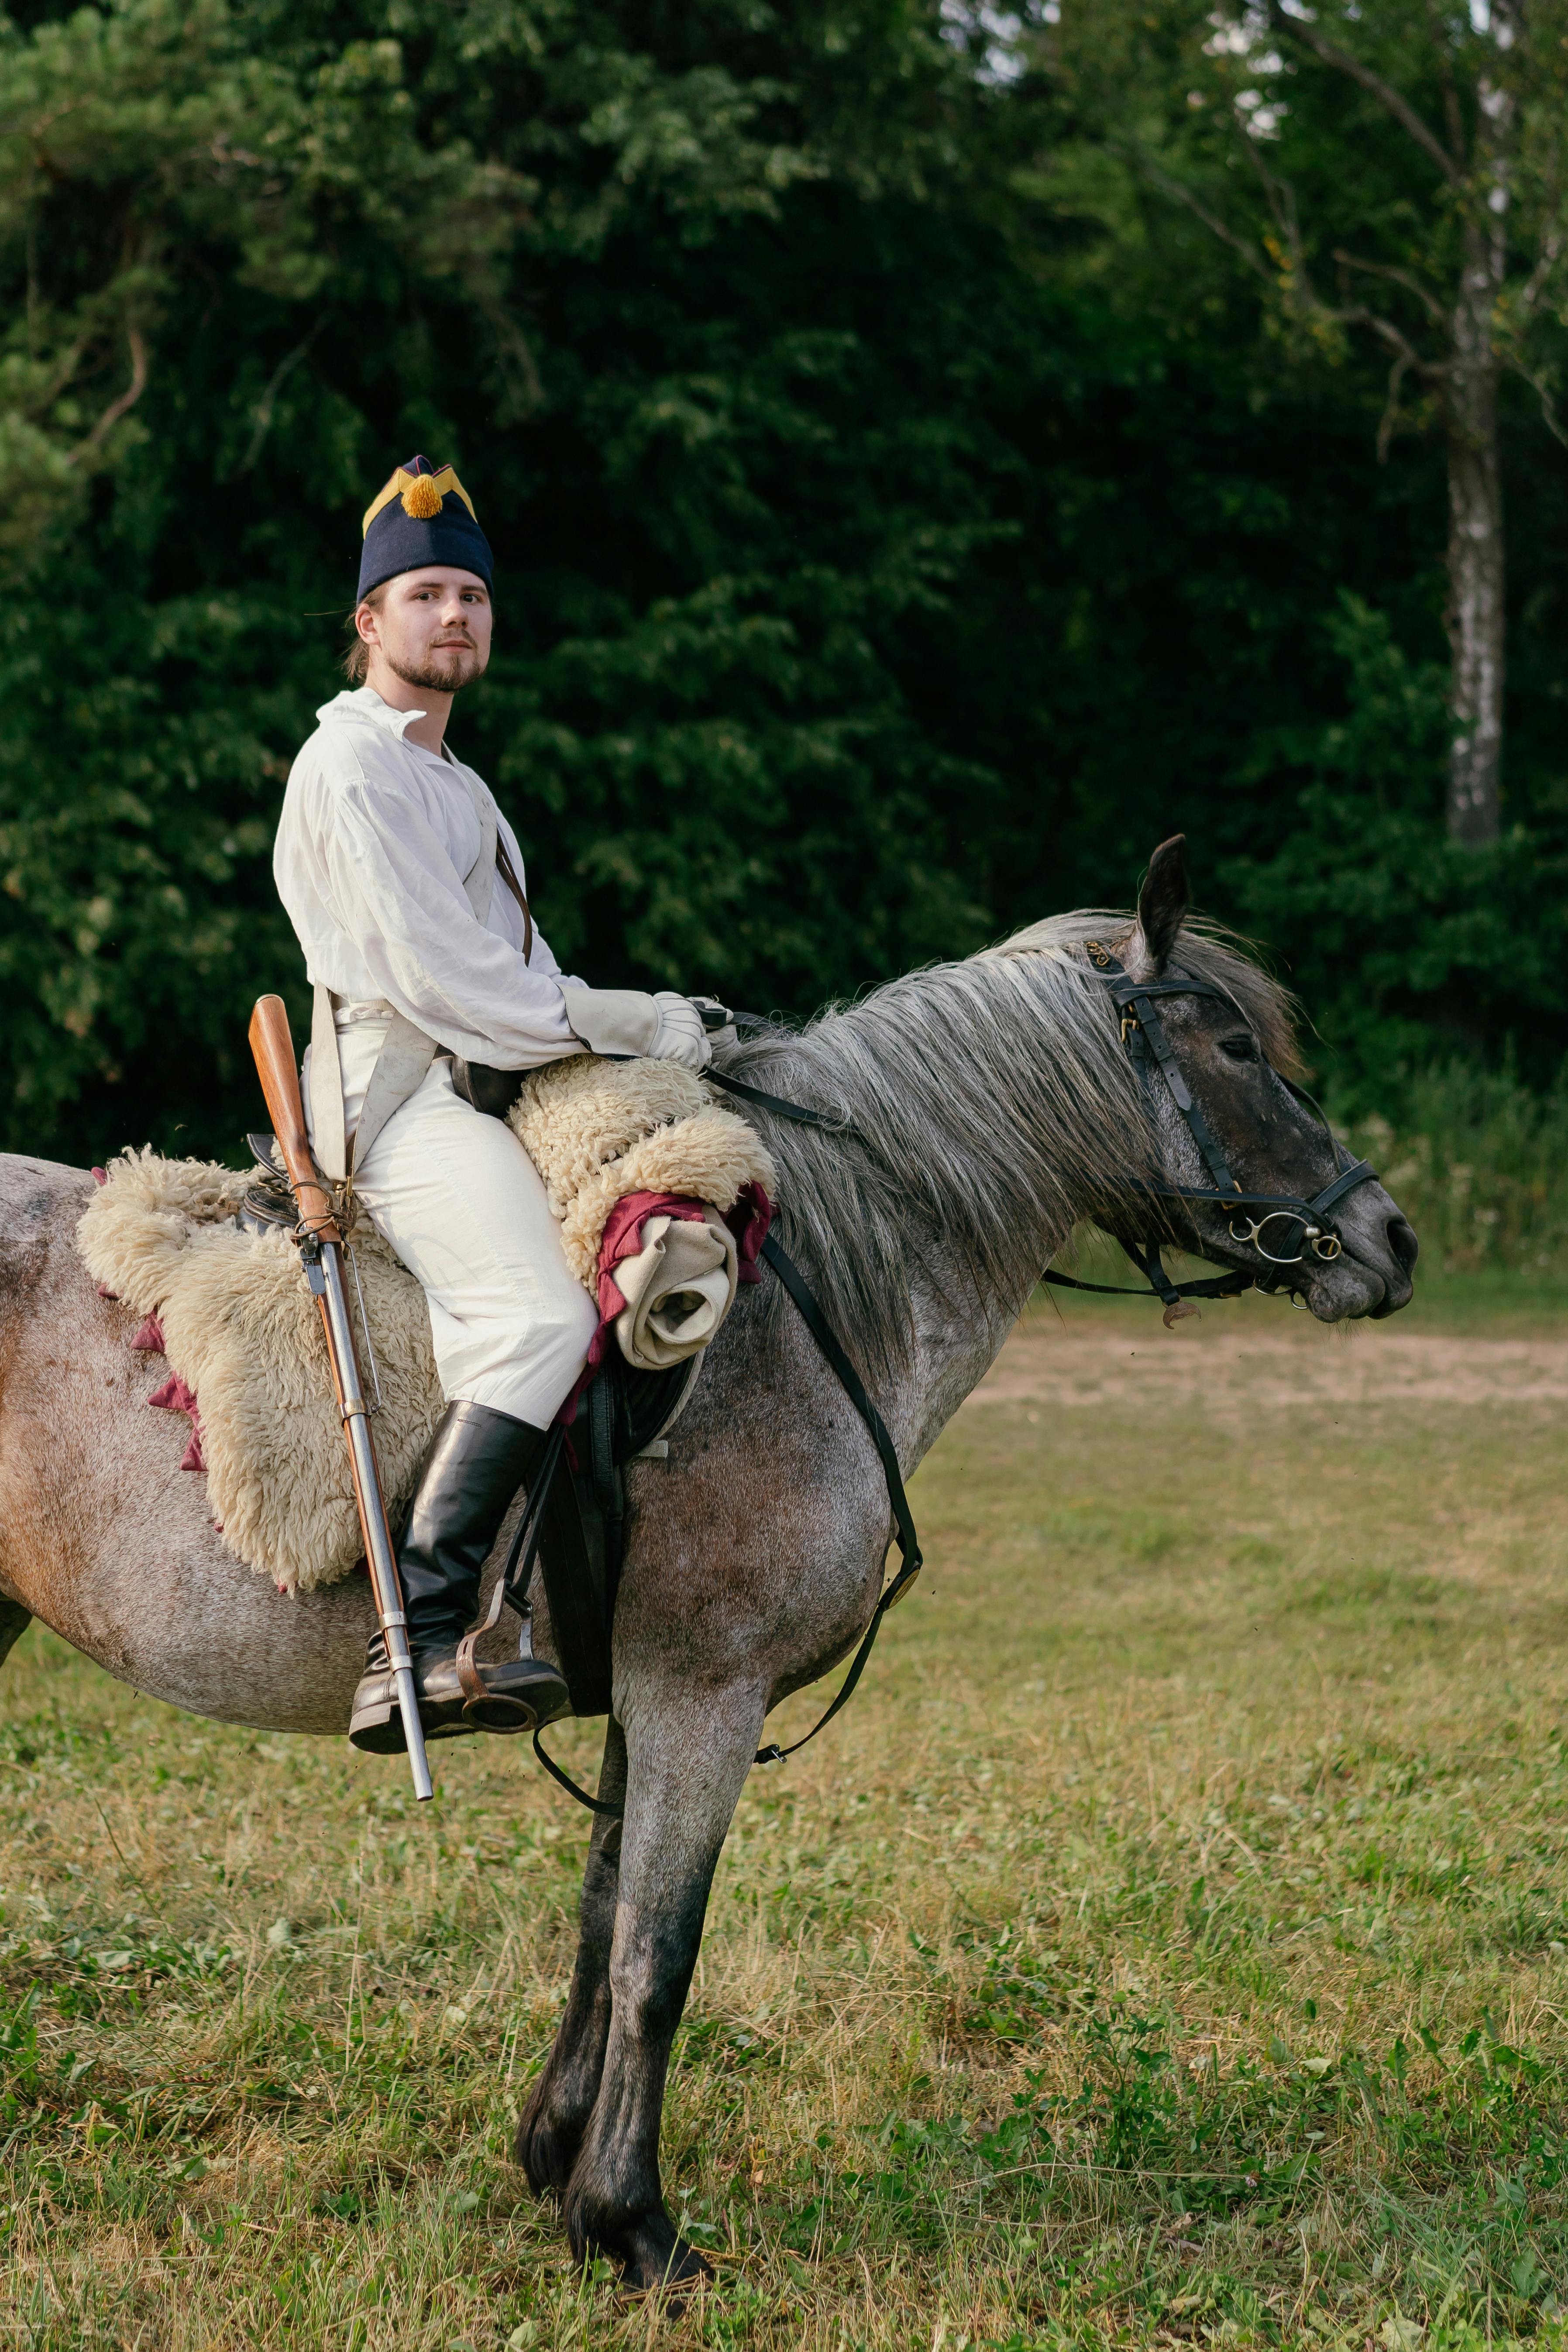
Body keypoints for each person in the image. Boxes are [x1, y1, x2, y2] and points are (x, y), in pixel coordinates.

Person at [273, 456, 721, 1753]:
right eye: (423, 595)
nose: (454, 615)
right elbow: (455, 984)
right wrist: (627, 1015)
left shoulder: (456, 782)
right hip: (402, 1103)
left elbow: (515, 982)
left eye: (470, 594)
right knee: (533, 1312)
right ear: (369, 623)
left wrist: (622, 1026)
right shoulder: (352, 771)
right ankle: (410, 1636)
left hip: (482, 1087)